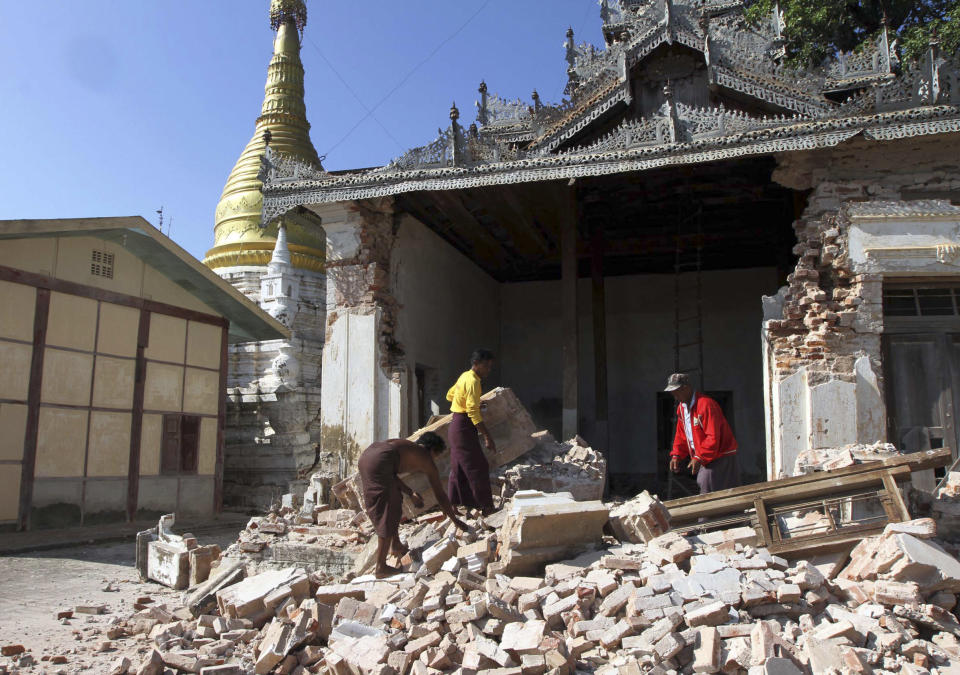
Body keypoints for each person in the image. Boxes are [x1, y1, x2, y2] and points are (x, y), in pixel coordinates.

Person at [357, 431, 469, 578]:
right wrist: (454, 520)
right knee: (387, 511)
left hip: (367, 457)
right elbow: (440, 495)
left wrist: (410, 493)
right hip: (379, 462)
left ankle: (395, 545)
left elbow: (390, 475)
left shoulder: (405, 447)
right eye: (436, 456)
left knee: (395, 498)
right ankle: (381, 567)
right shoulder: (425, 457)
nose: (434, 459)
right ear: (432, 450)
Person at [665, 372, 740, 495]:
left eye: (677, 391)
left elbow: (713, 436)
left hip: (721, 456)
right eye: (672, 392)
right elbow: (681, 435)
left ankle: (708, 515)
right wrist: (676, 455)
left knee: (708, 488)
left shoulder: (706, 405)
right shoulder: (681, 408)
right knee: (709, 489)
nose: (675, 396)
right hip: (707, 456)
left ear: (686, 388)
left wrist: (699, 457)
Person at [445, 348, 497, 515]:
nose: (488, 370)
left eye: (490, 367)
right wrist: (487, 436)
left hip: (456, 424)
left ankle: (454, 505)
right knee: (478, 466)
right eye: (486, 366)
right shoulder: (474, 381)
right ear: (476, 364)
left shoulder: (464, 376)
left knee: (458, 467)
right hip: (463, 427)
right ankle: (486, 507)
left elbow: (450, 395)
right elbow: (472, 412)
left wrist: (468, 402)